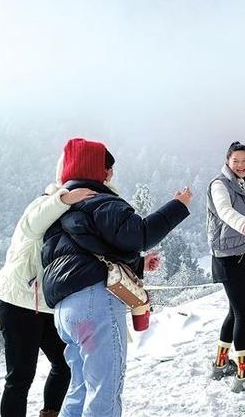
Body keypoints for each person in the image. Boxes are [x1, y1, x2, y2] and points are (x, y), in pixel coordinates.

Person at [41, 138, 191, 416]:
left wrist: (140, 264)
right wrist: (178, 205)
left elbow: (86, 250)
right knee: (104, 394)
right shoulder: (100, 201)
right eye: (108, 167)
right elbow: (139, 234)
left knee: (80, 388)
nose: (111, 174)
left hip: (64, 310)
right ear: (100, 170)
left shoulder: (58, 207)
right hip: (95, 304)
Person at [0, 153, 96, 417]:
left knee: (65, 365)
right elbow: (31, 225)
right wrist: (64, 199)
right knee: (20, 377)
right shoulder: (45, 203)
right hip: (18, 302)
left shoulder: (77, 213)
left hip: (48, 306)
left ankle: (50, 413)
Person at [206, 141, 245, 394]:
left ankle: (221, 364)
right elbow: (225, 211)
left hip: (239, 253)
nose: (241, 165)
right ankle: (243, 376)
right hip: (226, 257)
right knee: (244, 312)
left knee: (235, 311)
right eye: (236, 161)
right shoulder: (219, 185)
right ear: (227, 162)